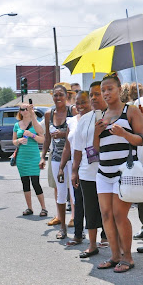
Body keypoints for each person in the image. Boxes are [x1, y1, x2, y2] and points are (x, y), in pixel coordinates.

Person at [93, 72, 143, 273]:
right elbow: (96, 148)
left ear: (119, 89)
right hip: (103, 171)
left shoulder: (130, 111)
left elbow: (141, 139)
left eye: (109, 89)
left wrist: (124, 133)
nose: (105, 93)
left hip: (124, 172)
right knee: (106, 215)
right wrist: (96, 134)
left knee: (119, 215)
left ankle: (128, 258)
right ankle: (114, 256)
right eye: (102, 90)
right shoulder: (102, 115)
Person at [71, 82, 108, 258]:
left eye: (97, 94)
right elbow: (78, 149)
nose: (94, 98)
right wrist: (74, 171)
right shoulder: (85, 119)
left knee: (109, 211)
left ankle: (114, 244)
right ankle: (92, 245)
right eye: (91, 94)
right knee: (90, 209)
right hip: (87, 172)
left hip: (111, 171)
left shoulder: (115, 115)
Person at [40, 84, 77, 239]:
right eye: (55, 95)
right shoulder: (49, 114)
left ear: (66, 95)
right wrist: (43, 156)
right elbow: (47, 138)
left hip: (73, 157)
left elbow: (77, 132)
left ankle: (77, 225)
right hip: (56, 158)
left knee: (75, 193)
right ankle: (62, 227)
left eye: (61, 95)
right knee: (60, 192)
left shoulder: (72, 111)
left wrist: (63, 134)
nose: (58, 98)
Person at [58, 91, 92, 245]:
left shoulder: (98, 118)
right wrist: (62, 167)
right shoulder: (71, 121)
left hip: (96, 166)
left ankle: (105, 237)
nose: (80, 106)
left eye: (83, 102)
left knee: (99, 203)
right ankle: (78, 235)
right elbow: (67, 146)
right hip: (77, 166)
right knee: (79, 201)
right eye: (77, 103)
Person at [12, 103, 47, 217]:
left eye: (27, 109)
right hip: (22, 157)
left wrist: (32, 135)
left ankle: (43, 208)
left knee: (36, 182)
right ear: (20, 112)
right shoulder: (17, 125)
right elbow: (14, 141)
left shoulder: (35, 123)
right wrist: (19, 140)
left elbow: (42, 139)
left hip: (33, 157)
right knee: (25, 182)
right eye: (23, 109)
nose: (25, 111)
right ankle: (29, 208)